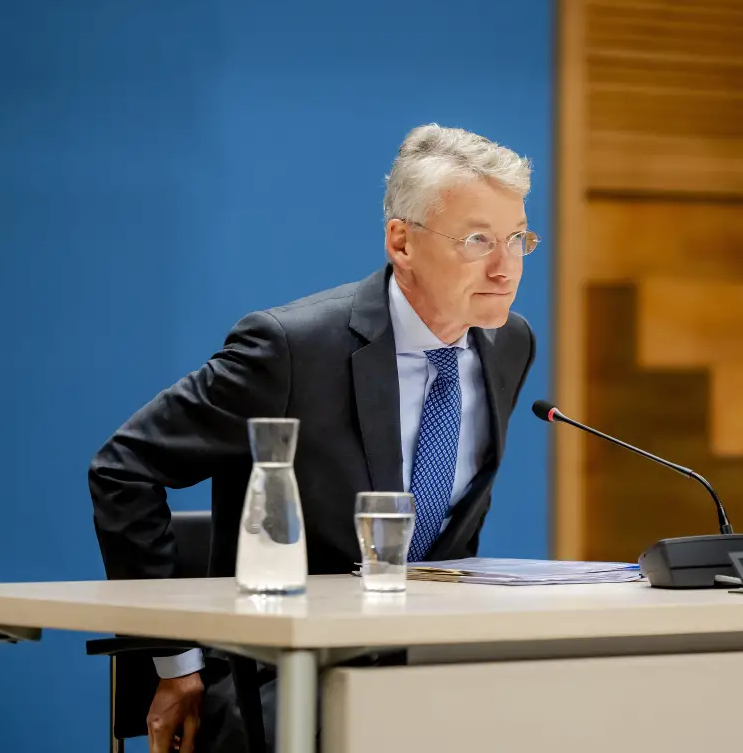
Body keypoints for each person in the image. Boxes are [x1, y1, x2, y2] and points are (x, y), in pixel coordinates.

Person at [88, 123, 538, 751]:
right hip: (284, 672)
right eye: (477, 240)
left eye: (518, 239)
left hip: (430, 665)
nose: (505, 267)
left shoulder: (508, 342)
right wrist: (175, 662)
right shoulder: (291, 350)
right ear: (401, 241)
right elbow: (124, 468)